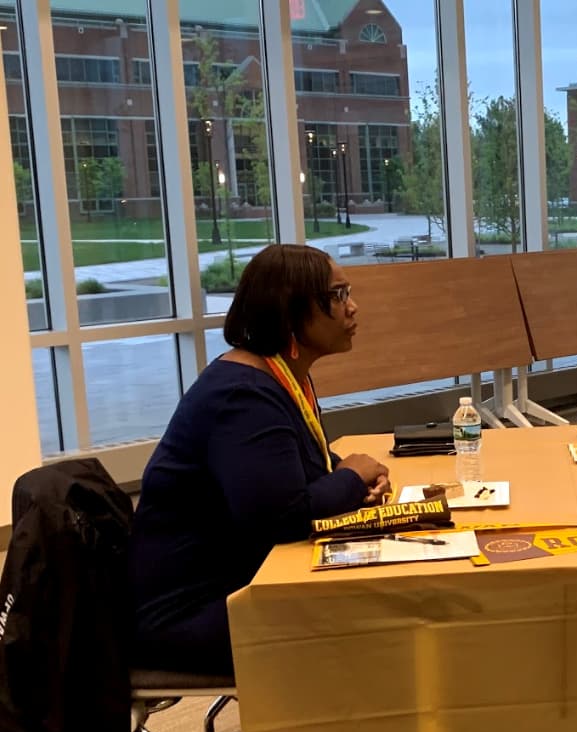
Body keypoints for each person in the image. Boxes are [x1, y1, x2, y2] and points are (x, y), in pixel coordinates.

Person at [128, 244, 391, 675]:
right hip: (190, 613)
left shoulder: (275, 376)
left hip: (232, 582)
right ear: (291, 313)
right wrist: (348, 478)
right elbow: (282, 518)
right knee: (369, 616)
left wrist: (355, 477)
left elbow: (296, 467)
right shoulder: (242, 395)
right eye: (338, 295)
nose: (353, 307)